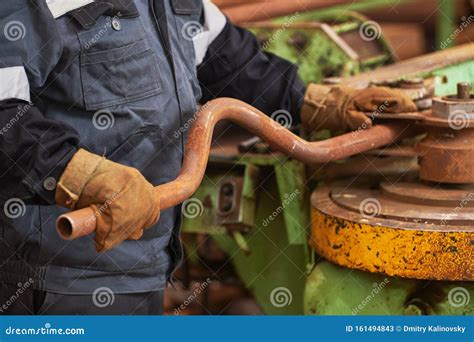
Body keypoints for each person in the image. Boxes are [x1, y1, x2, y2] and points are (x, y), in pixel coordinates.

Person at [0, 0, 416, 315]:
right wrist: (80, 174)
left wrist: (315, 102)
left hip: (143, 257)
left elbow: (231, 58)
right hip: (58, 275)